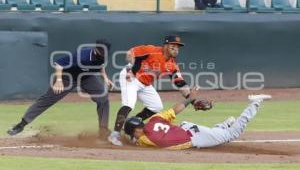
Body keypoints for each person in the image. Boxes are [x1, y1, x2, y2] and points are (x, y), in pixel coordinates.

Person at [7, 39, 114, 138]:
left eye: (105, 52)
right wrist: (58, 81)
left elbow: (101, 65)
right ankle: (21, 125)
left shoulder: (103, 55)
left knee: (103, 97)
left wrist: (105, 77)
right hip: (67, 77)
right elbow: (59, 64)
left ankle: (103, 130)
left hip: (87, 77)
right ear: (96, 50)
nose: (104, 54)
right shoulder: (81, 55)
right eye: (102, 52)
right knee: (47, 99)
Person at [108, 34, 200, 146]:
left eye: (178, 47)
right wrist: (131, 69)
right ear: (166, 45)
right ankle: (114, 135)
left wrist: (193, 100)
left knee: (156, 106)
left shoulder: (172, 65)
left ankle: (131, 127)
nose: (176, 49)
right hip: (132, 78)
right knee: (129, 104)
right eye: (173, 46)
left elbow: (180, 84)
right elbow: (130, 53)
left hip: (145, 84)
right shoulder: (151, 50)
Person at [124, 92, 271, 149]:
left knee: (231, 135)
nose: (133, 137)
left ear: (137, 131)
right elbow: (175, 109)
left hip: (194, 137)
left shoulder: (144, 140)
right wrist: (190, 99)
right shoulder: (155, 120)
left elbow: (137, 141)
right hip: (187, 127)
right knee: (218, 138)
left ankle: (254, 103)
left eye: (132, 134)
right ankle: (225, 124)